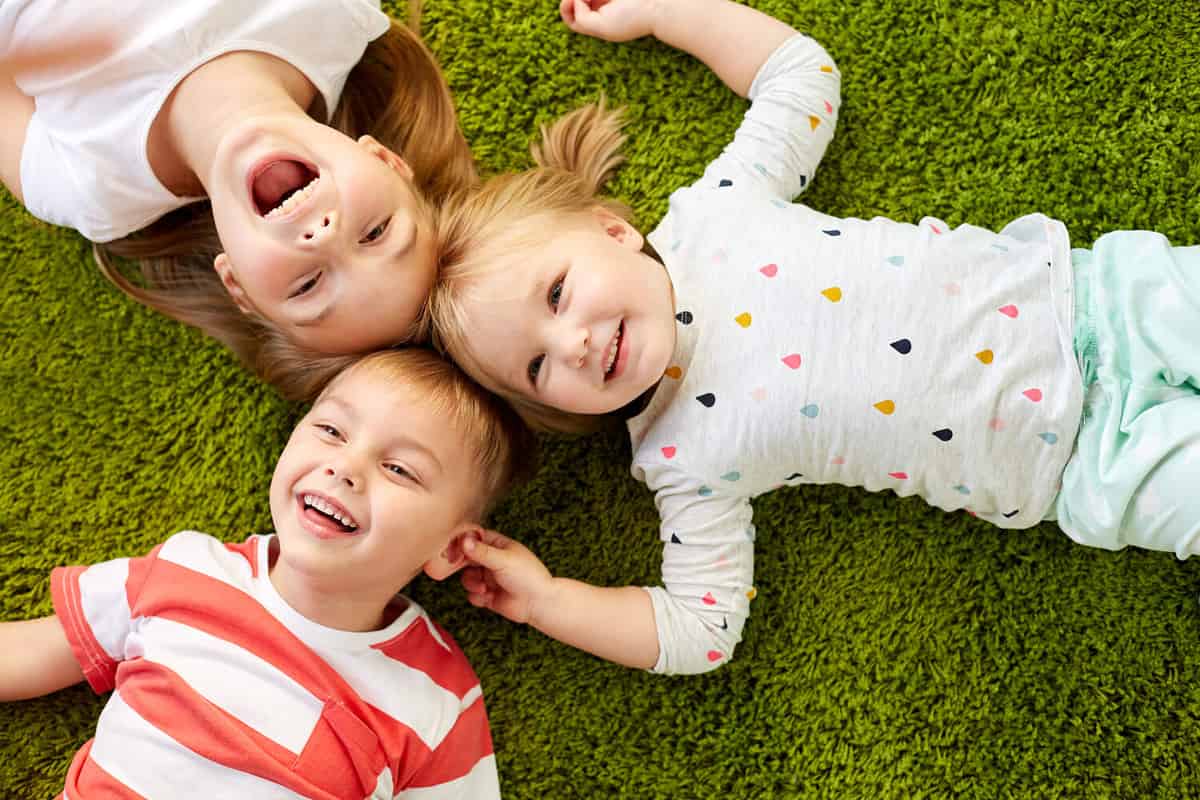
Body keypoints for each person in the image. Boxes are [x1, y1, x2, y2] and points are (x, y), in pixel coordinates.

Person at [425, 0, 1200, 676]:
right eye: (536, 365)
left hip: (1099, 298)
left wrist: (663, 12)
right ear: (544, 408)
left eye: (557, 293)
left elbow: (800, 76)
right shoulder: (680, 457)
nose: (574, 345)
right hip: (1081, 460)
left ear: (612, 231)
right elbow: (700, 630)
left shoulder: (715, 212)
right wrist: (550, 600)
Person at [0, 348, 537, 797]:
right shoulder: (186, 568)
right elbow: (35, 651)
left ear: (450, 549)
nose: (344, 468)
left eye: (398, 469)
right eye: (330, 430)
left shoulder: (436, 698)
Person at [0, 0, 474, 399]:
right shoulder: (336, 16)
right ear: (386, 161)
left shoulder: (90, 188)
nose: (324, 237)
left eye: (307, 285)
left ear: (237, 285)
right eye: (376, 233)